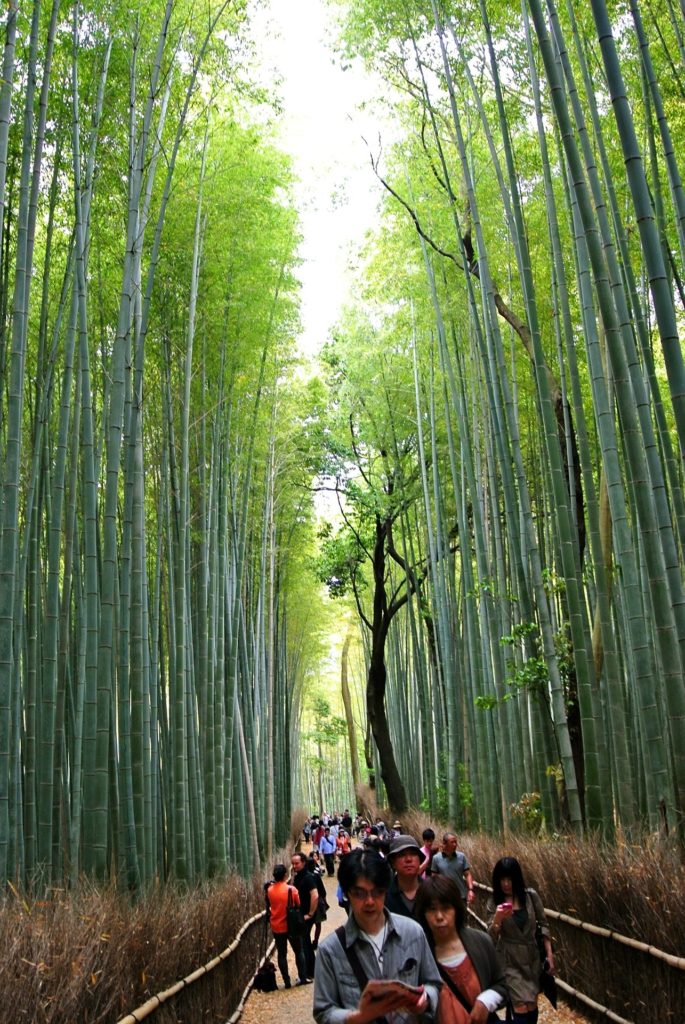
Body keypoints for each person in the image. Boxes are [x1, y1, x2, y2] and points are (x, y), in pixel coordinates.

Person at [313, 847, 442, 1024]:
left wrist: (424, 1000)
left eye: (377, 892)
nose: (369, 901)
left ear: (386, 891)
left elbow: (434, 984)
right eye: (359, 893)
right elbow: (323, 1011)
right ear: (347, 893)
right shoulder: (330, 950)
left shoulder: (413, 932)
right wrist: (357, 1017)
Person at [416, 875, 506, 1023]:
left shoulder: (480, 942)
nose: (439, 916)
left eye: (446, 908)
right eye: (432, 909)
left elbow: (502, 985)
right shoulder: (419, 953)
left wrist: (486, 1001)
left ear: (456, 909)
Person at [487, 857, 555, 1024]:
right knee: (520, 1006)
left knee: (531, 1005)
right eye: (502, 879)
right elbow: (490, 936)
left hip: (532, 959)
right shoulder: (494, 902)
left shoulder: (530, 897)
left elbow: (544, 925)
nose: (506, 884)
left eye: (510, 879)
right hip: (510, 960)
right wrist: (497, 918)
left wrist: (549, 955)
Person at [265, 863, 309, 988]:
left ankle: (286, 981)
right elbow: (298, 904)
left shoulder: (269, 890)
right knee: (299, 951)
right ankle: (303, 977)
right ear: (285, 875)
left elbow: (269, 904)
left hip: (277, 925)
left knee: (282, 953)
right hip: (292, 925)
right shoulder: (291, 890)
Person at [291, 850, 319, 980]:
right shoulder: (298, 876)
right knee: (305, 941)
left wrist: (310, 913)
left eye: (297, 863)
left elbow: (315, 895)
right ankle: (311, 970)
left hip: (306, 914)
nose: (294, 866)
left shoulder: (308, 877)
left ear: (303, 863)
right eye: (293, 864)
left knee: (304, 942)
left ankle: (308, 971)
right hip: (301, 914)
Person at [385, 834, 424, 919]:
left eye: (413, 854)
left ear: (419, 860)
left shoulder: (431, 892)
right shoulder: (384, 895)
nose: (408, 859)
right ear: (393, 863)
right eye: (402, 855)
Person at [431, 834, 475, 904]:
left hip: (461, 896)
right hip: (444, 897)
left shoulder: (461, 856)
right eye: (452, 842)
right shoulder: (436, 858)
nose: (455, 844)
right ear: (445, 844)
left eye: (456, 842)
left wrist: (471, 890)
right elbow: (434, 877)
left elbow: (467, 874)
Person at [307, 853, 329, 950]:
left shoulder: (304, 877)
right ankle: (315, 941)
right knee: (318, 923)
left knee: (308, 924)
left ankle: (307, 942)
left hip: (307, 902)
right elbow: (322, 891)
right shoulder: (316, 876)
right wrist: (325, 902)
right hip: (318, 902)